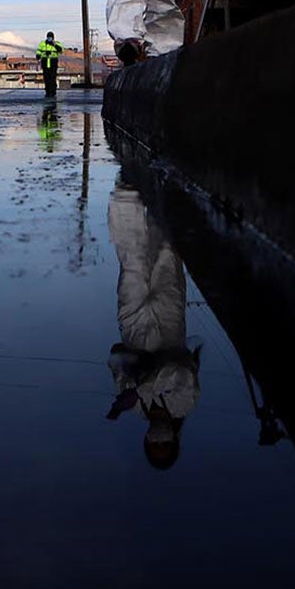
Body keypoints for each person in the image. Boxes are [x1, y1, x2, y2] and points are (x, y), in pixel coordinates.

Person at [104, 182, 203, 471]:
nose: (159, 440)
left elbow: (114, 359)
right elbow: (178, 370)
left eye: (154, 445)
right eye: (165, 444)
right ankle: (163, 185)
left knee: (131, 259)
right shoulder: (184, 404)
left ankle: (128, 183)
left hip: (133, 324)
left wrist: (129, 381)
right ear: (175, 440)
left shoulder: (133, 407)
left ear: (146, 441)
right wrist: (141, 386)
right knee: (167, 253)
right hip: (170, 322)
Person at [35, 31, 62, 98]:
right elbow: (39, 51)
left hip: (53, 62)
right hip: (45, 62)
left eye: (50, 37)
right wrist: (38, 56)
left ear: (53, 38)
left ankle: (53, 92)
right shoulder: (42, 43)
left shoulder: (57, 43)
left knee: (52, 78)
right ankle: (47, 92)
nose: (49, 38)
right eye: (48, 37)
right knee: (46, 78)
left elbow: (61, 50)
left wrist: (54, 44)